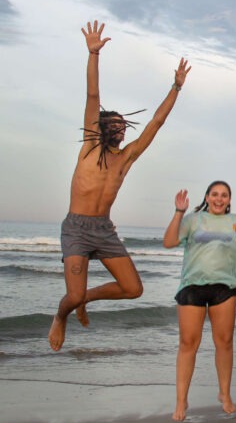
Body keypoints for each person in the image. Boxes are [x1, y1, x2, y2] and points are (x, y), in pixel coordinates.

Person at [49, 21, 191, 351]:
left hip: (104, 229)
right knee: (72, 295)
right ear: (99, 128)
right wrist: (94, 54)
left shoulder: (126, 158)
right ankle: (61, 316)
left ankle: (86, 299)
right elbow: (93, 94)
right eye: (113, 125)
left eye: (122, 126)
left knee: (133, 288)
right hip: (76, 227)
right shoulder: (89, 147)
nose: (120, 130)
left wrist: (176, 87)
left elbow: (156, 122)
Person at [162, 182, 236, 421]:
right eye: (214, 194)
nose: (219, 198)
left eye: (224, 195)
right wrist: (178, 213)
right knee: (188, 343)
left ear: (229, 200)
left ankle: (224, 394)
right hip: (192, 286)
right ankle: (181, 400)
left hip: (224, 287)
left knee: (224, 342)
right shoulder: (193, 220)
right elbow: (169, 242)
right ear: (207, 197)